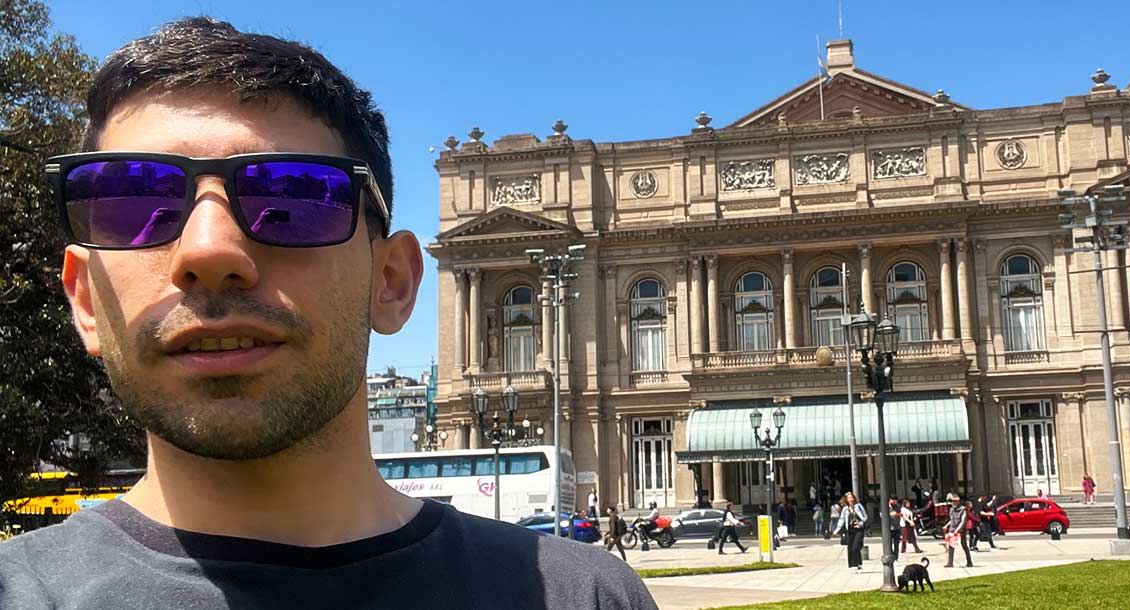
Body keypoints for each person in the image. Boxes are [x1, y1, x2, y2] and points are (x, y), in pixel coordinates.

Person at [0, 17, 656, 610]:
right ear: (85, 300)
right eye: (131, 201)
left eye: (292, 198)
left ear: (392, 282)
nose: (207, 251)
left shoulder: (584, 598)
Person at [833, 493, 867, 572]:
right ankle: (854, 565)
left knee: (856, 547)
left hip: (858, 529)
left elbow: (865, 517)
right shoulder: (845, 509)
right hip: (850, 530)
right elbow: (842, 520)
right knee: (851, 547)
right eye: (849, 498)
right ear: (847, 500)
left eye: (852, 497)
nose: (851, 499)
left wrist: (860, 524)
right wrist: (836, 530)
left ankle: (859, 564)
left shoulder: (858, 506)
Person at [943, 493, 973, 568]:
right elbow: (952, 520)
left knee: (964, 546)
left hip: (961, 531)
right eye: (953, 501)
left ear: (959, 502)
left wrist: (957, 530)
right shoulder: (951, 509)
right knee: (951, 546)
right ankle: (950, 562)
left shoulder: (963, 510)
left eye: (955, 501)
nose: (954, 503)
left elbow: (963, 521)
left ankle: (969, 562)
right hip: (952, 530)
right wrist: (946, 525)